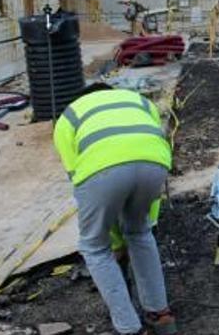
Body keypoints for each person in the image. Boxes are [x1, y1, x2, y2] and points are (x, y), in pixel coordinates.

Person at [52, 83, 177, 335]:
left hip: (102, 171)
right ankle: (161, 315)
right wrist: (138, 226)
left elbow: (82, 182)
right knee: (141, 233)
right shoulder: (140, 102)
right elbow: (147, 205)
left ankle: (129, 328)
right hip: (156, 162)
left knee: (94, 247)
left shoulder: (70, 115)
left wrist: (114, 242)